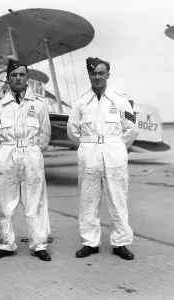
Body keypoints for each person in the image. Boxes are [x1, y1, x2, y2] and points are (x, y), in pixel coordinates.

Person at [67, 57, 138, 260]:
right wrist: (87, 145)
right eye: (93, 73)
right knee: (88, 199)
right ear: (89, 75)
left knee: (118, 198)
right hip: (89, 152)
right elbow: (72, 131)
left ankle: (120, 243)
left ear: (108, 75)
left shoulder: (120, 100)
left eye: (101, 73)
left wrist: (116, 147)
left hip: (113, 151)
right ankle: (90, 242)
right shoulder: (80, 102)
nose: (97, 77)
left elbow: (131, 129)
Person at [0, 60, 52, 262]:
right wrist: (6, 149)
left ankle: (39, 244)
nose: (17, 78)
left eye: (21, 75)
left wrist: (32, 150)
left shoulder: (39, 104)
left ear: (27, 78)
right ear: (7, 78)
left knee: (35, 201)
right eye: (13, 75)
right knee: (3, 202)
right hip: (7, 153)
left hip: (31, 152)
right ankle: (4, 244)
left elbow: (45, 134)